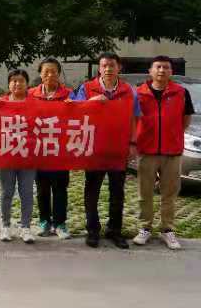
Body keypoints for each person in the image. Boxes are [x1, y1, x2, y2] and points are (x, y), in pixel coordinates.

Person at [71, 52, 140, 249]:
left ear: (119, 68)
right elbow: (73, 110)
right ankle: (92, 230)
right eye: (104, 65)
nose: (108, 69)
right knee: (92, 190)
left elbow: (134, 118)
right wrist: (91, 101)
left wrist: (132, 143)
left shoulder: (129, 90)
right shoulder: (86, 88)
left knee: (117, 191)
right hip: (94, 147)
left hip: (118, 148)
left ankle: (114, 230)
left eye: (112, 65)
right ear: (99, 68)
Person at [133, 56, 194, 250]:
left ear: (171, 72)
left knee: (170, 193)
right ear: (150, 71)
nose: (161, 70)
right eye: (158, 67)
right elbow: (133, 119)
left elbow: (186, 119)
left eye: (166, 67)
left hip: (172, 151)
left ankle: (167, 229)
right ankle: (145, 227)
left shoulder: (181, 92)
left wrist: (174, 135)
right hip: (147, 150)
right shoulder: (138, 93)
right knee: (145, 192)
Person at [29, 57, 73, 240]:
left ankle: (60, 223)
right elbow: (12, 103)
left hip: (61, 149)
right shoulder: (31, 94)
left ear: (59, 73)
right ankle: (44, 221)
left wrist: (74, 107)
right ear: (40, 74)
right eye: (46, 71)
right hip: (39, 149)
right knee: (42, 188)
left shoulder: (69, 94)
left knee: (60, 187)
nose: (50, 75)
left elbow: (84, 110)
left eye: (53, 71)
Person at [0, 69, 36, 244]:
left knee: (26, 192)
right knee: (7, 192)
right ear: (8, 84)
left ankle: (25, 226)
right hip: (7, 155)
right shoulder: (0, 103)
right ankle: (5, 225)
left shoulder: (35, 104)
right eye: (13, 81)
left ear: (27, 84)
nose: (17, 84)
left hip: (28, 156)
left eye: (21, 81)